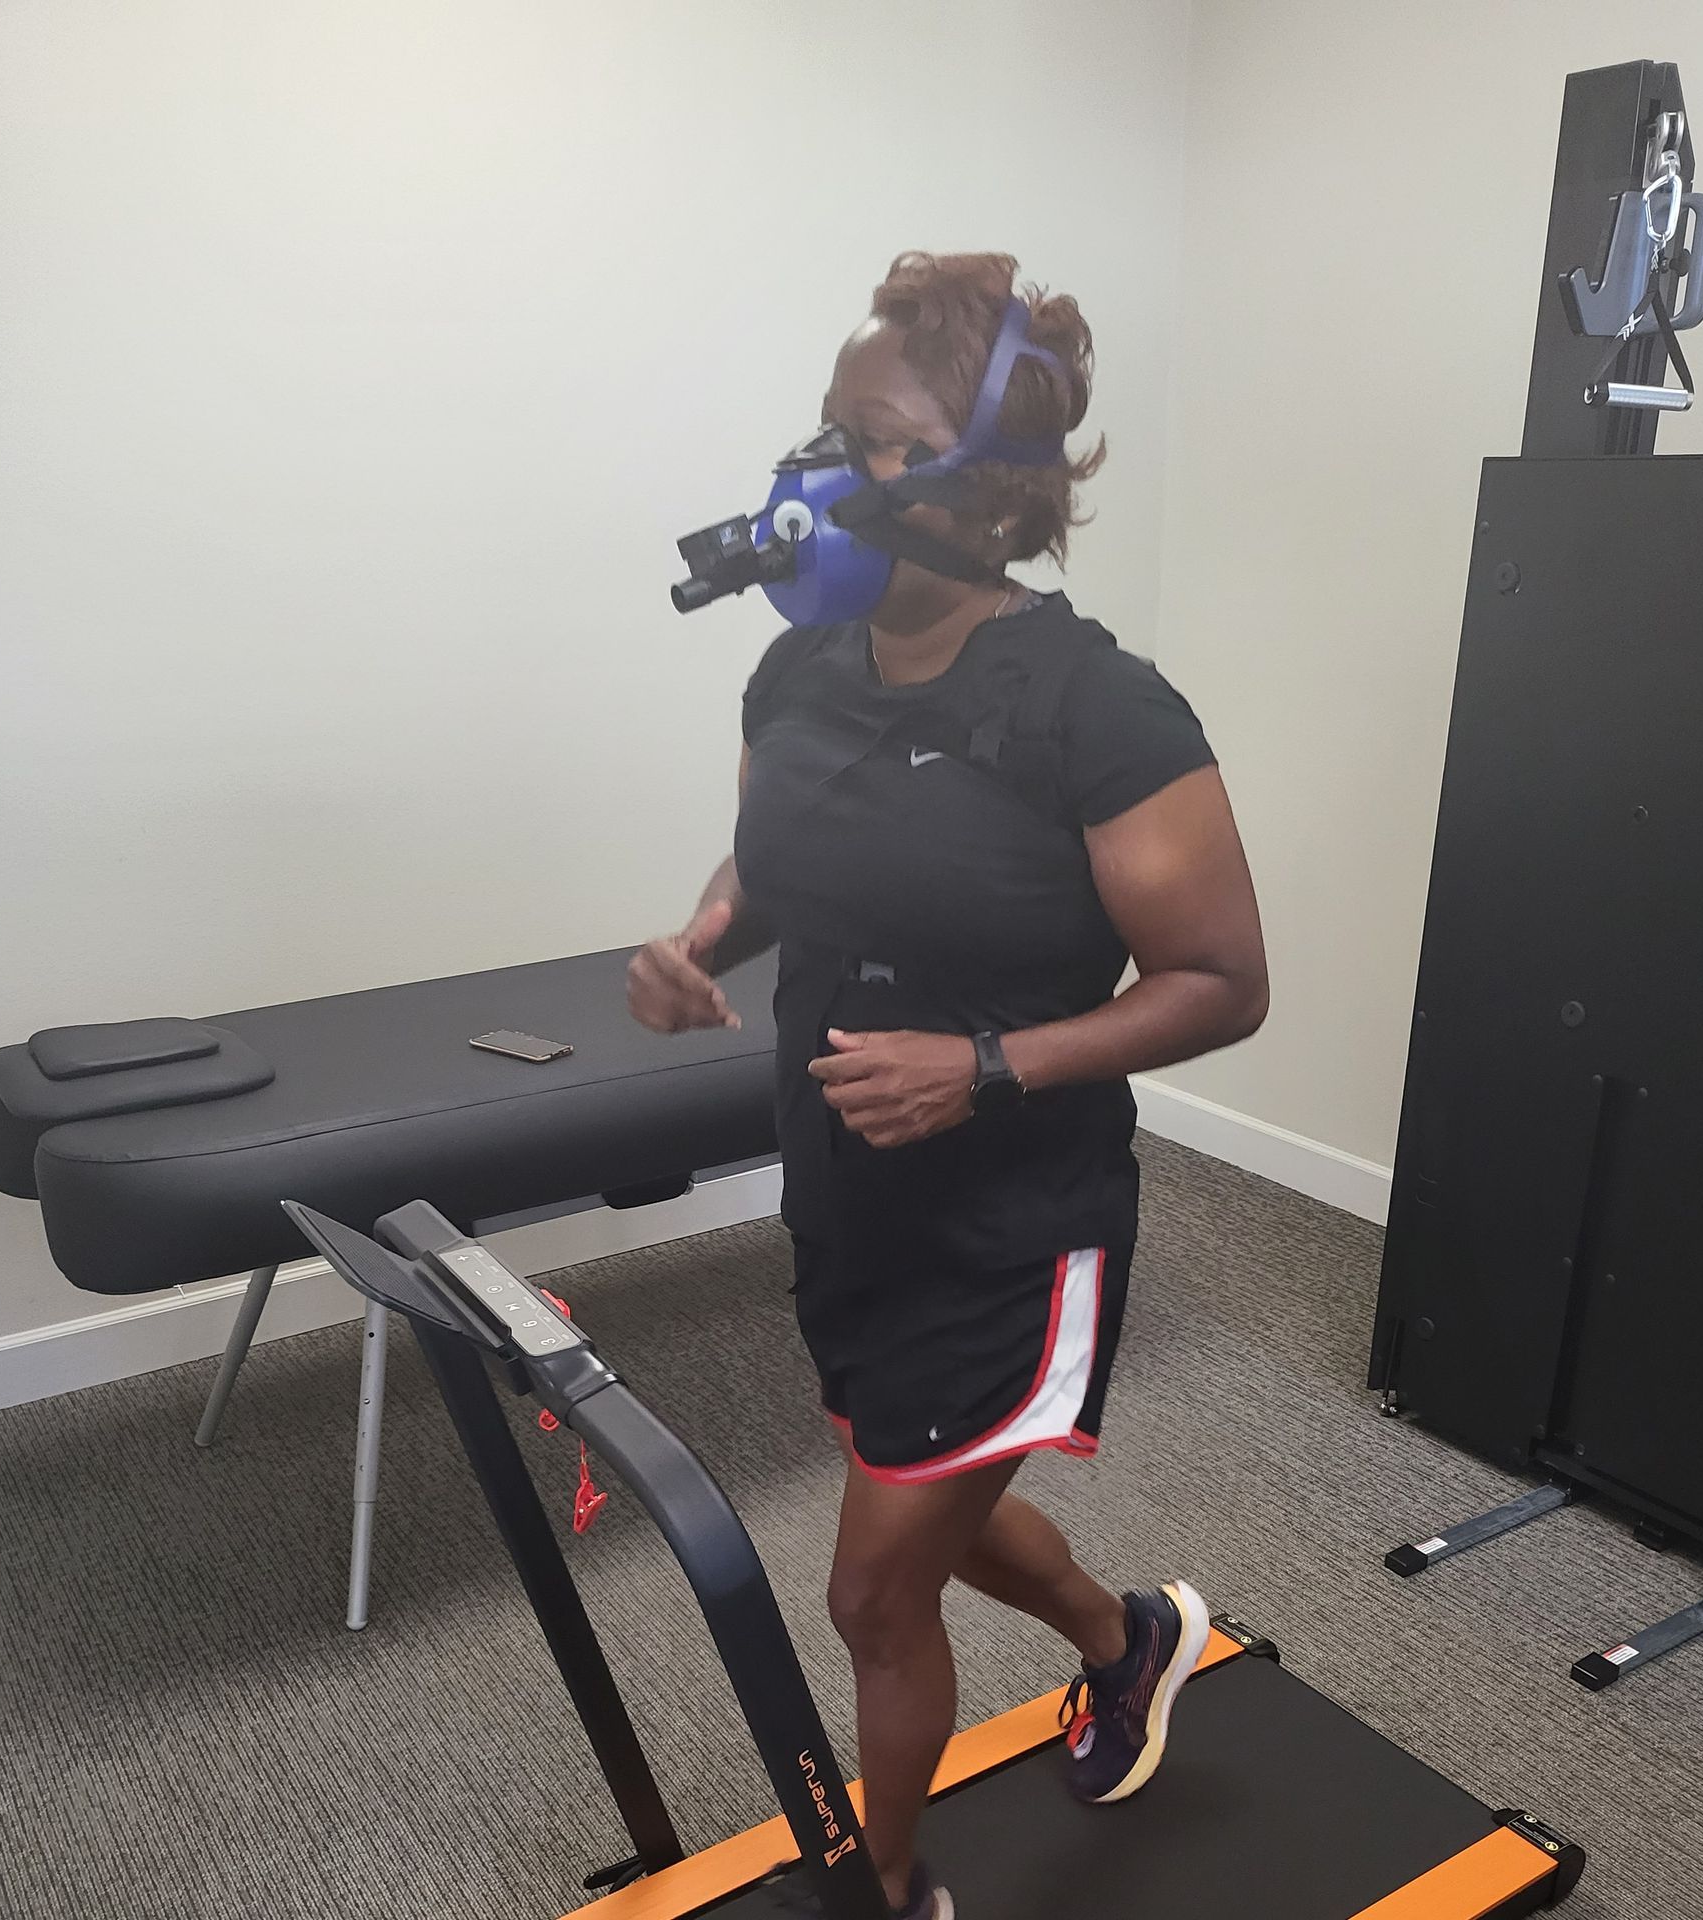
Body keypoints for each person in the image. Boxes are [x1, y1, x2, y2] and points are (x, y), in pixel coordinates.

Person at [629, 250, 1268, 1920]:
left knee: (870, 1591)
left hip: (1015, 1215)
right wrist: (704, 932)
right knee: (923, 1495)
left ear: (989, 488)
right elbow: (778, 854)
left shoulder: (1100, 709)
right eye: (826, 425)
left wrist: (986, 1066)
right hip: (848, 1189)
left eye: (876, 438)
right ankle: (1132, 1639)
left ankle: (890, 1892)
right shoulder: (798, 673)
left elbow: (1223, 985)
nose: (820, 470)